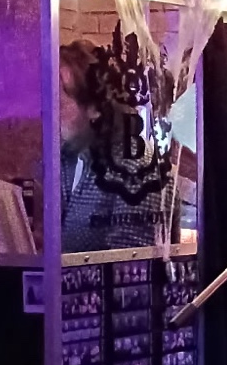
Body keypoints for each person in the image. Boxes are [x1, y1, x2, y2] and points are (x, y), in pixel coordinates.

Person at [59, 39, 160, 252]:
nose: (46, 113)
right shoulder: (68, 157)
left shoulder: (136, 169)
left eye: (58, 104)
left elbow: (129, 264)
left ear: (94, 108)